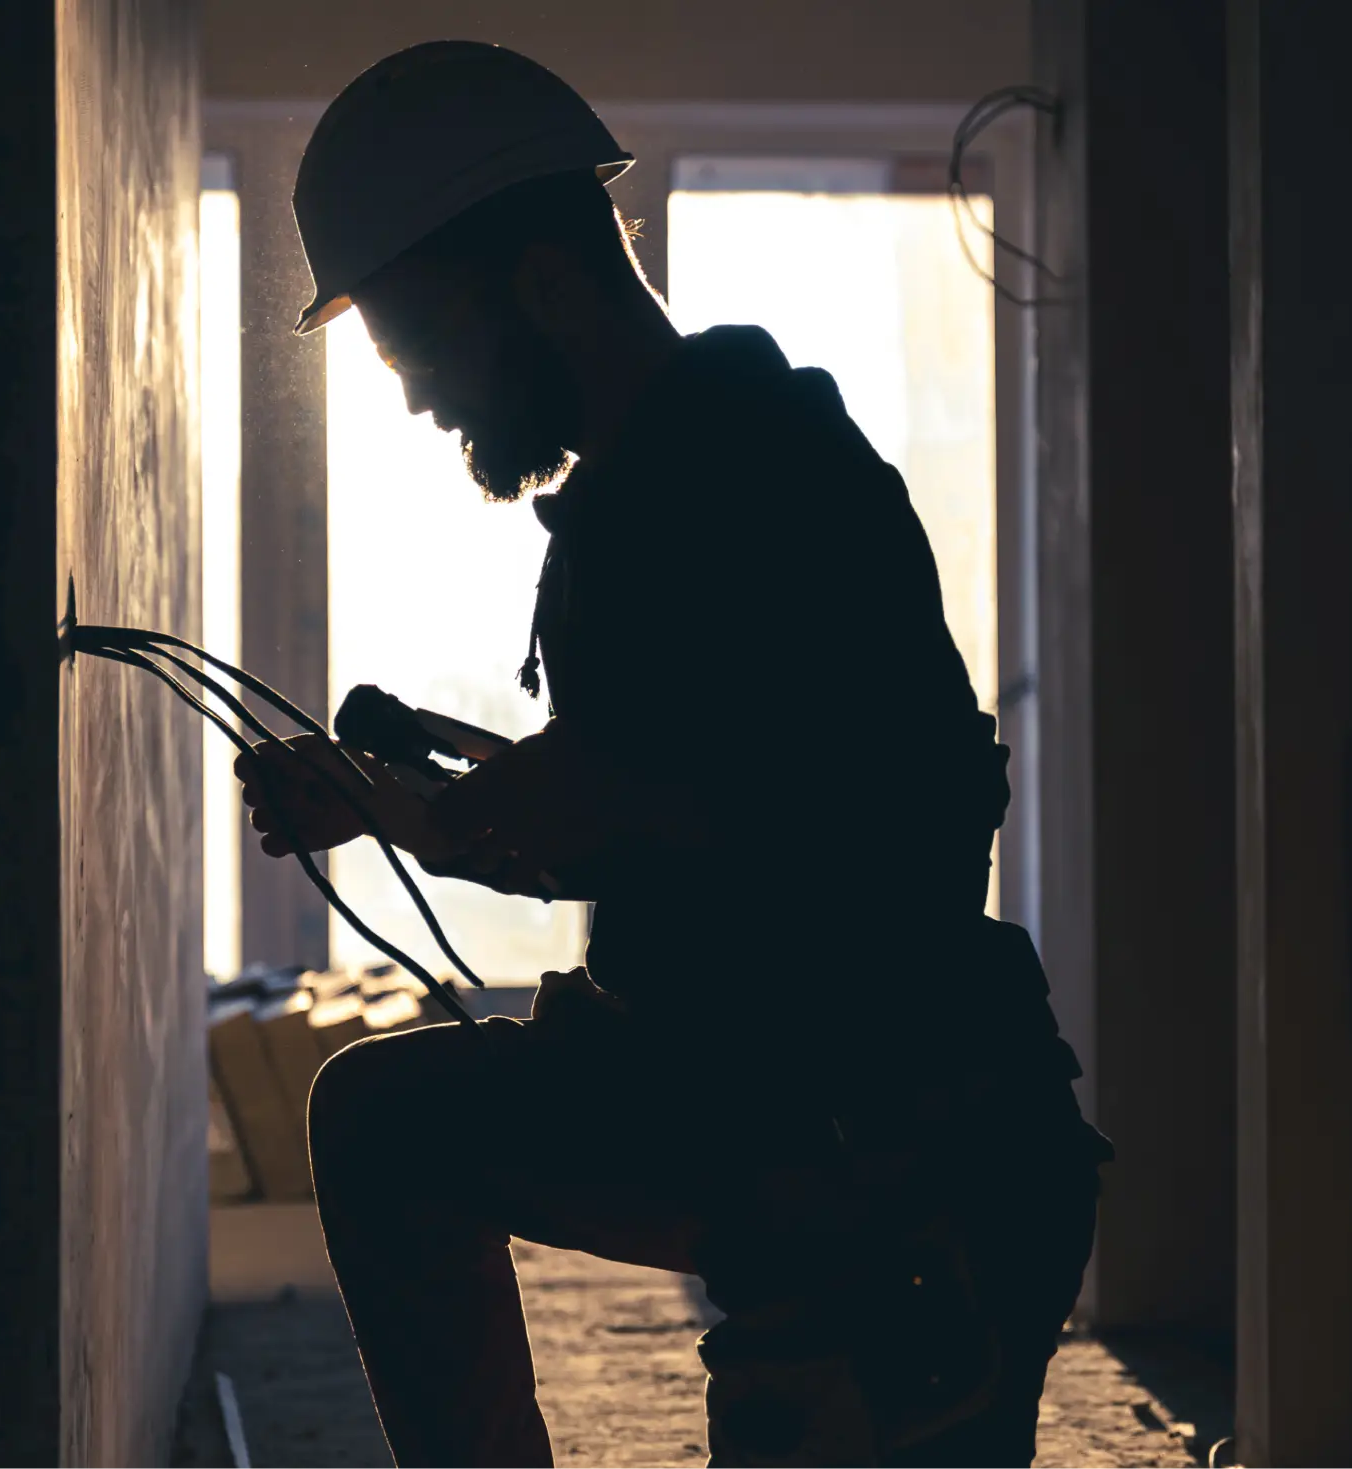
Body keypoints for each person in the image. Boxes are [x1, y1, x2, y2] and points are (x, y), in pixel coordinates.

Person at [237, 40, 1109, 1469]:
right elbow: (654, 801)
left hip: (899, 1147)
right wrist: (416, 810)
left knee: (398, 1130)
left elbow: (740, 800)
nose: (416, 401)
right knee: (389, 1126)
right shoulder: (655, 486)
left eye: (421, 351)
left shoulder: (750, 467)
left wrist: (435, 811)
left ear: (539, 280)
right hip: (751, 1098)